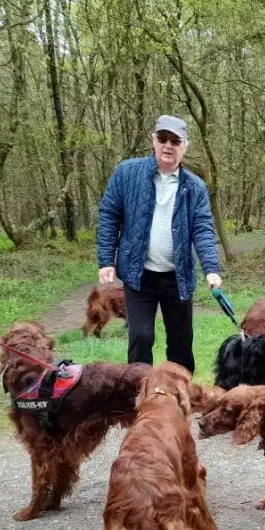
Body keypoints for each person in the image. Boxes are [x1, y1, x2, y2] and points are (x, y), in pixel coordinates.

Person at [97, 115, 222, 374]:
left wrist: (211, 268)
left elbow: (202, 229)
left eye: (175, 141)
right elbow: (109, 215)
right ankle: (139, 391)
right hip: (139, 275)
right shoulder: (127, 173)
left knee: (181, 344)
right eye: (163, 138)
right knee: (140, 337)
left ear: (184, 147)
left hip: (178, 277)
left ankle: (180, 393)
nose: (168, 145)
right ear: (153, 141)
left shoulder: (195, 187)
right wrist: (106, 260)